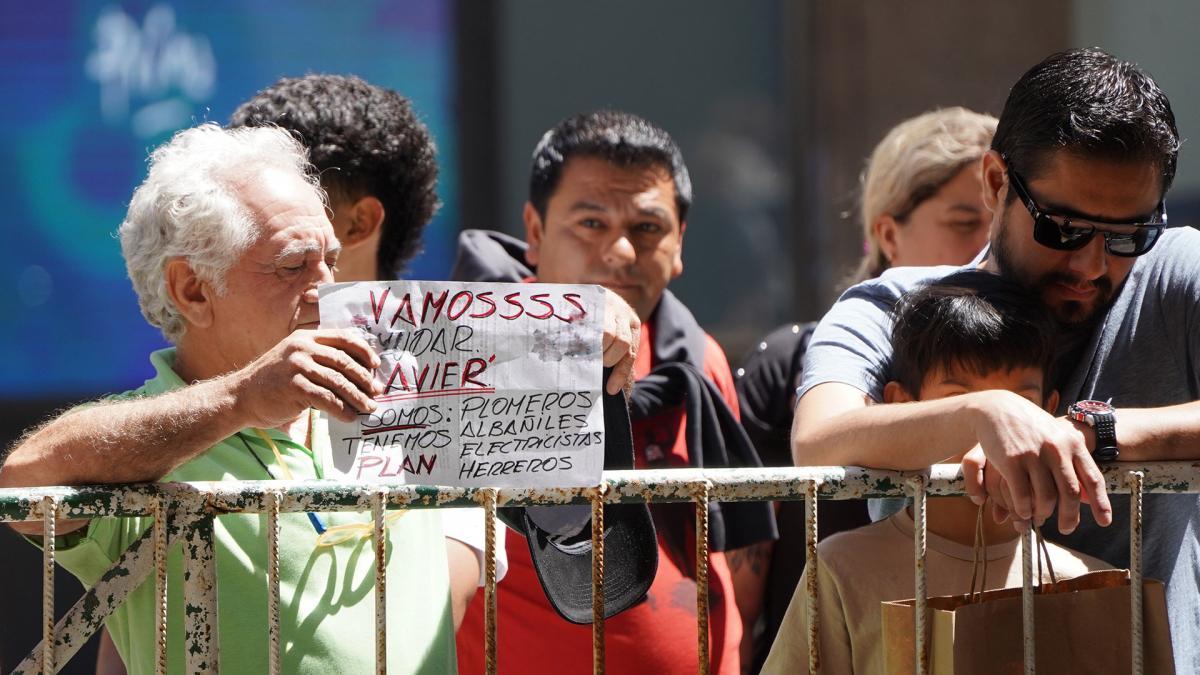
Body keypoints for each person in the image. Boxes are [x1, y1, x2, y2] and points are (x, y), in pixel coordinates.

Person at [0, 123, 640, 674]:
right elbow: (25, 483)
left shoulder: (406, 383)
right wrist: (242, 401)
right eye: (292, 266)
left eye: (332, 261)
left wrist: (583, 323)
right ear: (193, 290)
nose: (327, 288)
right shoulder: (153, 435)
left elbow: (461, 579)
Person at [790, 48, 1200, 672]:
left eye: (1126, 237)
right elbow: (818, 439)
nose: (1091, 266)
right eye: (1063, 228)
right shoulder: (892, 305)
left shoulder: (1175, 273)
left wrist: (1099, 433)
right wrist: (983, 412)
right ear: (994, 183)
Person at [452, 110, 777, 674]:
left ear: (680, 246)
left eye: (648, 228)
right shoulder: (471, 350)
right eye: (591, 223)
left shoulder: (700, 362)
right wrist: (561, 331)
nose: (621, 252)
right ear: (534, 231)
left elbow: (736, 554)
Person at [228, 73, 506, 632]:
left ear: (361, 222)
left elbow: (426, 625)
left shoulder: (452, 380)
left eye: (290, 198)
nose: (250, 223)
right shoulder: (211, 376)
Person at [735, 106, 996, 667]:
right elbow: (738, 589)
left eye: (1002, 222)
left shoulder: (1035, 349)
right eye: (963, 221)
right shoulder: (790, 364)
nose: (986, 245)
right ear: (887, 232)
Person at [762, 270, 1110, 673]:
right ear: (902, 405)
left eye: (1021, 406)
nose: (994, 439)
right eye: (959, 404)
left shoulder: (1090, 583)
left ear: (1049, 409)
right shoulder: (842, 568)